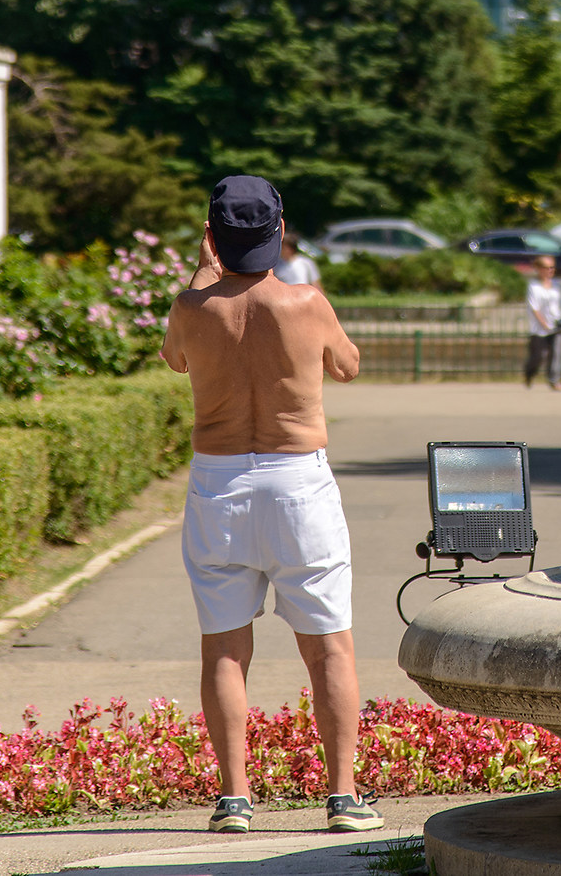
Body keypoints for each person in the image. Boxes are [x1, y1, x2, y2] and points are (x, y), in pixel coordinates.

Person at [161, 175, 382, 836]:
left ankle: (235, 799)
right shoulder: (306, 302)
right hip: (297, 483)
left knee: (225, 650)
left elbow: (175, 360)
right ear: (279, 232)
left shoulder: (191, 308)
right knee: (330, 648)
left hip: (220, 481)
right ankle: (342, 797)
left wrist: (203, 278)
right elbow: (348, 365)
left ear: (213, 236)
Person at [524, 254, 561, 390]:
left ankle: (554, 380)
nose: (550, 271)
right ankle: (530, 373)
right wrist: (544, 324)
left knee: (556, 353)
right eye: (547, 268)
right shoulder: (533, 287)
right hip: (539, 328)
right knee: (539, 356)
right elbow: (534, 308)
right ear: (538, 269)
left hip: (556, 325)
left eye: (552, 268)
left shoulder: (556, 285)